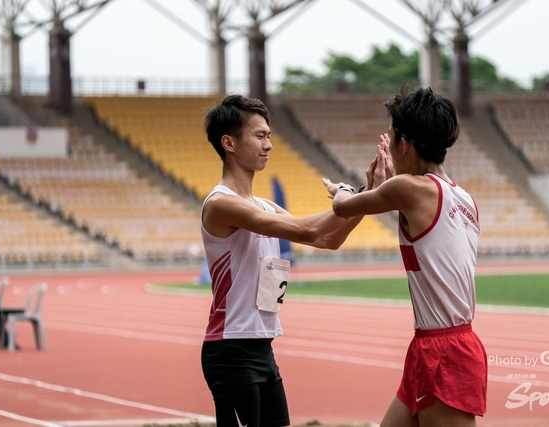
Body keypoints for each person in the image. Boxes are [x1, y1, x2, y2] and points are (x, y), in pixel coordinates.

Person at [323, 86, 487, 427]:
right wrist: (381, 188)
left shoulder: (408, 189)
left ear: (404, 146)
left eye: (393, 137)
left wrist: (343, 189)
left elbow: (342, 207)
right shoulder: (463, 198)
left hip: (443, 350)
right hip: (437, 343)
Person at [200, 94, 362, 427]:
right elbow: (305, 230)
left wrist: (366, 197)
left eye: (269, 136)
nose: (269, 144)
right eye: (260, 135)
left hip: (262, 347)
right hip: (230, 349)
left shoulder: (264, 205)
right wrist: (346, 195)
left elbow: (327, 239)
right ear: (229, 142)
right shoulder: (221, 204)